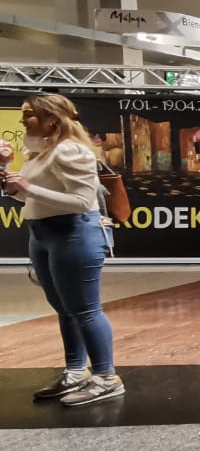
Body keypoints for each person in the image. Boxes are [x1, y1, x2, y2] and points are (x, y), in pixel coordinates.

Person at [0, 95, 123, 406]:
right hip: (43, 234)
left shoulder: (71, 150)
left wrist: (27, 189)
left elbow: (82, 201)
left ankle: (107, 379)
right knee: (65, 309)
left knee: (85, 310)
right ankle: (76, 371)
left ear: (51, 119)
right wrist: (13, 185)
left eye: (29, 114)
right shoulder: (40, 153)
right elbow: (34, 199)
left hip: (74, 232)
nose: (23, 119)